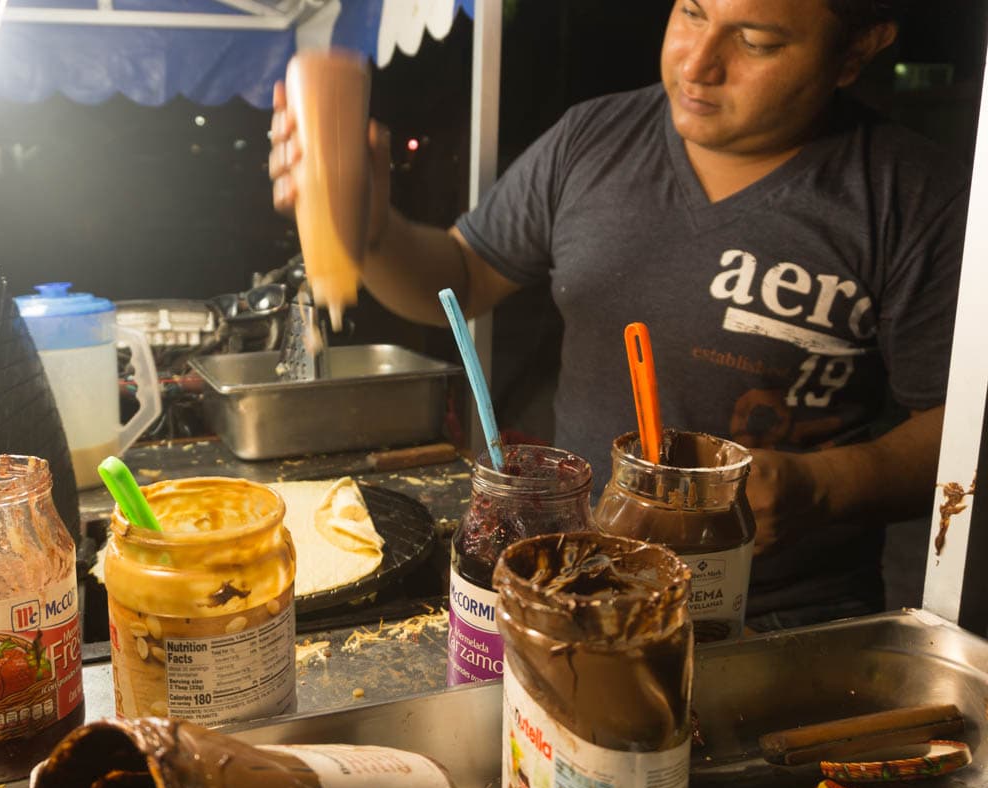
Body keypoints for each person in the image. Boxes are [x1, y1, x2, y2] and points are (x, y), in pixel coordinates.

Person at [269, 0, 969, 630]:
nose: (697, 64)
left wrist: (824, 486)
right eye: (692, 12)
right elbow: (455, 279)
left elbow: (963, 430)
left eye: (755, 41)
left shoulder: (915, 199)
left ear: (857, 50)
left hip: (785, 619)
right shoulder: (593, 138)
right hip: (581, 588)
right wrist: (370, 229)